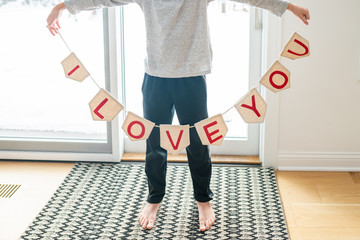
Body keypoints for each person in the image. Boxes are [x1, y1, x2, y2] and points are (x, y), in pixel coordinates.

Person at [47, 0, 310, 232]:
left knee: (197, 143)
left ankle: (203, 200)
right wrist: (62, 6)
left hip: (192, 78)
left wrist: (288, 6)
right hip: (155, 78)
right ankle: (154, 198)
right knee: (155, 145)